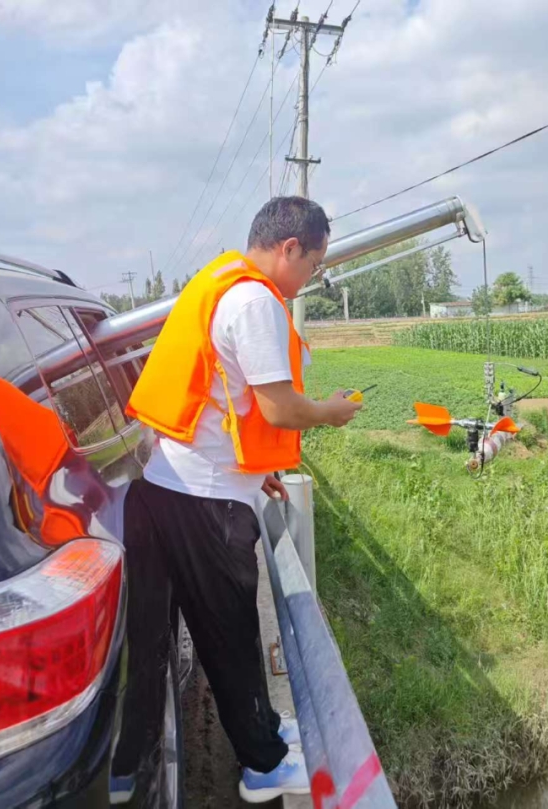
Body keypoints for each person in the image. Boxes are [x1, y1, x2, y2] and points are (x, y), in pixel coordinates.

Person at [112, 196, 362, 803]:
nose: (312, 278)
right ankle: (263, 764)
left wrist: (258, 475)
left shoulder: (219, 283)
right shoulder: (255, 302)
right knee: (231, 638)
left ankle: (122, 773)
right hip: (206, 505)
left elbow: (223, 406)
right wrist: (329, 412)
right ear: (290, 249)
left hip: (164, 490)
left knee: (150, 648)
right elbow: (277, 406)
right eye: (314, 264)